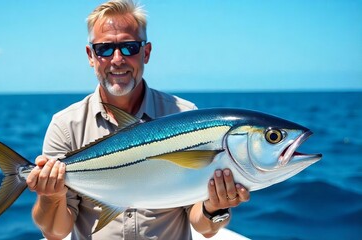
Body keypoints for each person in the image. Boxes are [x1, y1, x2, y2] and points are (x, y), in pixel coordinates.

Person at [26, 0, 250, 239]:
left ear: (146, 52)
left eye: (129, 47)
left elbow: (203, 226)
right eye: (104, 49)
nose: (117, 59)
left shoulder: (185, 117)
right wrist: (52, 196)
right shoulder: (66, 126)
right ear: (91, 56)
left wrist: (215, 207)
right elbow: (55, 232)